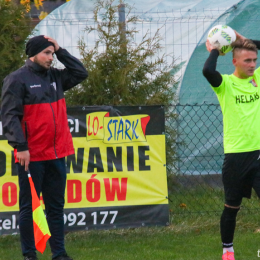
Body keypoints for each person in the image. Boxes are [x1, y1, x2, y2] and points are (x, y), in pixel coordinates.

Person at [1, 35, 88, 260]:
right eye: (47, 53)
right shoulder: (17, 79)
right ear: (34, 54)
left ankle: (59, 253)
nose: (51, 58)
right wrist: (20, 146)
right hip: (31, 155)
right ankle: (30, 254)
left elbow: (81, 73)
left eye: (52, 53)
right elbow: (9, 116)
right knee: (29, 208)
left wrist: (60, 50)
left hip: (57, 153)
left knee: (56, 207)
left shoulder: (56, 77)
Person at [203, 32, 260, 260]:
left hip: (258, 155)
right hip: (236, 158)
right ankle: (228, 249)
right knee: (231, 207)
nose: (252, 65)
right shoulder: (225, 84)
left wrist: (238, 38)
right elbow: (208, 71)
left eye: (255, 60)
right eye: (247, 60)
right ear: (234, 61)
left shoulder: (258, 79)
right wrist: (216, 48)